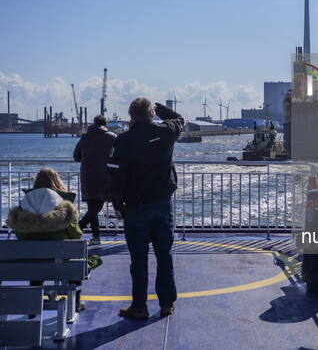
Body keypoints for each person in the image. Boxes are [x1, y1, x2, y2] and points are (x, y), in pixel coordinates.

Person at [108, 98, 184, 318]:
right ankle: (166, 303)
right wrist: (160, 108)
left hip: (135, 207)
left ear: (131, 116)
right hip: (162, 205)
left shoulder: (123, 141)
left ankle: (139, 306)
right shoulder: (167, 132)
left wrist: (117, 203)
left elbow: (115, 175)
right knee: (164, 255)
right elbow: (179, 119)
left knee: (138, 259)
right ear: (151, 114)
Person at [6, 168, 102, 313]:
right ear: (57, 181)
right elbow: (76, 235)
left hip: (31, 263)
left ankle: (34, 300)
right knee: (75, 256)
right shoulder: (62, 205)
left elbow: (19, 234)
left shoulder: (24, 204)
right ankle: (76, 301)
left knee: (35, 257)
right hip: (60, 263)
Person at [74, 115, 117, 245]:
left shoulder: (85, 137)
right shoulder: (112, 137)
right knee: (97, 207)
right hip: (106, 175)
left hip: (88, 175)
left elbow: (76, 156)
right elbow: (118, 154)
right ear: (106, 124)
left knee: (93, 207)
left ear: (94, 123)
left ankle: (84, 230)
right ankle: (85, 230)